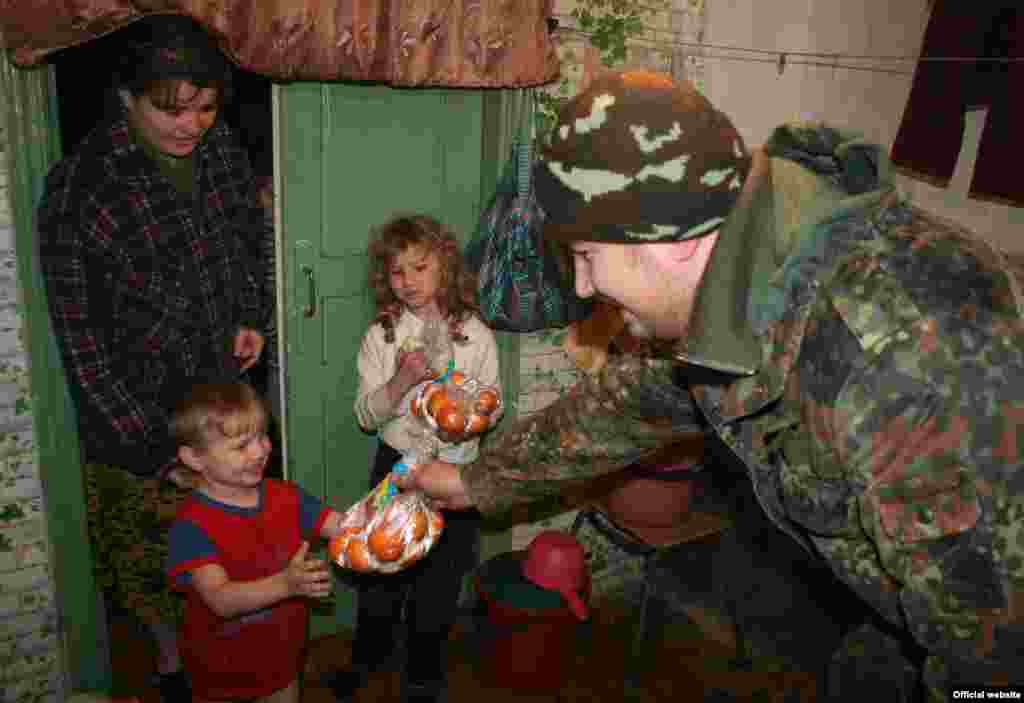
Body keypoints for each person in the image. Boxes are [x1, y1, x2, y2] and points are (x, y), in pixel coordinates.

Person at [400, 70, 1024, 700]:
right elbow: (617, 408)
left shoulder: (902, 361)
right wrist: (474, 480)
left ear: (667, 241)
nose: (584, 288)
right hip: (898, 621)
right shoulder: (724, 296)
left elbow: (998, 663)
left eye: (587, 256)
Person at [36, 15, 269, 702]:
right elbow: (81, 343)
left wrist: (250, 314)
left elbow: (245, 238)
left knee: (228, 543)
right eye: (170, 109)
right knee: (150, 565)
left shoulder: (222, 150)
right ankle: (172, 667)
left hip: (218, 397)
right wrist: (154, 444)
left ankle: (226, 655)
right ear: (126, 97)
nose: (191, 125)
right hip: (138, 415)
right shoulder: (80, 188)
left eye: (204, 107)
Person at [328, 214, 502, 703]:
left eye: (420, 268)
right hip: (398, 467)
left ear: (445, 266)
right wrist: (403, 381)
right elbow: (366, 415)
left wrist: (468, 414)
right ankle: (368, 658)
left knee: (439, 583)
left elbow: (496, 402)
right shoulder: (381, 336)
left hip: (456, 474)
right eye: (397, 272)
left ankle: (424, 673)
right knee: (381, 573)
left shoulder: (475, 335)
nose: (409, 282)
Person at [165, 382, 347, 703]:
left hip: (283, 668)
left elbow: (346, 527)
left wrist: (395, 509)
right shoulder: (192, 525)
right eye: (241, 446)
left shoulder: (287, 497)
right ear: (194, 458)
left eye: (262, 436)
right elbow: (219, 599)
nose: (261, 451)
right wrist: (287, 585)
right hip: (220, 677)